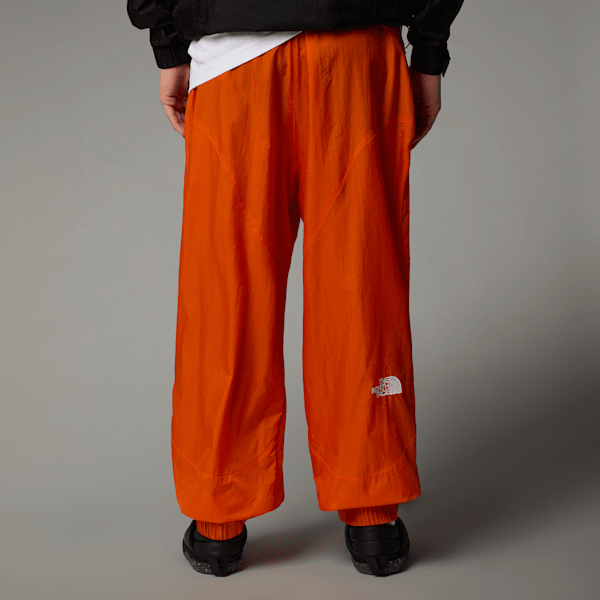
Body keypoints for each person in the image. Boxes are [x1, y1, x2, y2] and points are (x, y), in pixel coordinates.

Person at [127, 0, 465, 577]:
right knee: (361, 286)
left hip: (232, 63)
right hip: (355, 55)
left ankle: (217, 518)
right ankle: (372, 512)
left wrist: (168, 44)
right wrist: (429, 51)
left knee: (225, 292)